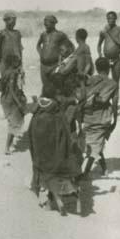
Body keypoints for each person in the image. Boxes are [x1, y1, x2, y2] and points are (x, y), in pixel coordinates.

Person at [28, 82, 80, 215]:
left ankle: (53, 202)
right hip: (56, 148)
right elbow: (65, 131)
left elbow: (31, 131)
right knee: (56, 173)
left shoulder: (37, 110)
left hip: (41, 150)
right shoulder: (57, 111)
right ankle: (62, 200)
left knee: (46, 175)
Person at [81, 57, 119, 176]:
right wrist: (115, 121)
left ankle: (100, 169)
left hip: (88, 117)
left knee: (95, 144)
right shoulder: (113, 84)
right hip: (102, 119)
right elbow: (115, 104)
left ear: (96, 68)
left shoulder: (89, 80)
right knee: (97, 145)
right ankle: (89, 171)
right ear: (108, 68)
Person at [0, 54, 27, 155]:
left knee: (12, 122)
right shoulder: (13, 74)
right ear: (15, 63)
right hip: (11, 100)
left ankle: (10, 144)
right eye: (19, 62)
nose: (20, 63)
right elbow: (13, 90)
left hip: (6, 99)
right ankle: (7, 148)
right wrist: (19, 103)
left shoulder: (8, 72)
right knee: (14, 123)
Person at [36, 15, 68, 89]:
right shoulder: (43, 35)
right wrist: (41, 54)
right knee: (45, 87)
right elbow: (38, 45)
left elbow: (68, 48)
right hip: (43, 66)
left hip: (54, 65)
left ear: (54, 23)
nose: (45, 26)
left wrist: (62, 58)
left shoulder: (60, 35)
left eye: (47, 24)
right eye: (45, 24)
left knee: (56, 86)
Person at [97, 11, 120, 84]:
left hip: (116, 59)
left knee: (116, 82)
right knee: (104, 81)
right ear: (106, 19)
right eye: (108, 18)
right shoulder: (103, 32)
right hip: (106, 60)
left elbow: (119, 42)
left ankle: (116, 95)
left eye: (112, 18)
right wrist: (100, 54)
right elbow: (99, 45)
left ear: (116, 18)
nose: (110, 20)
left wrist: (109, 31)